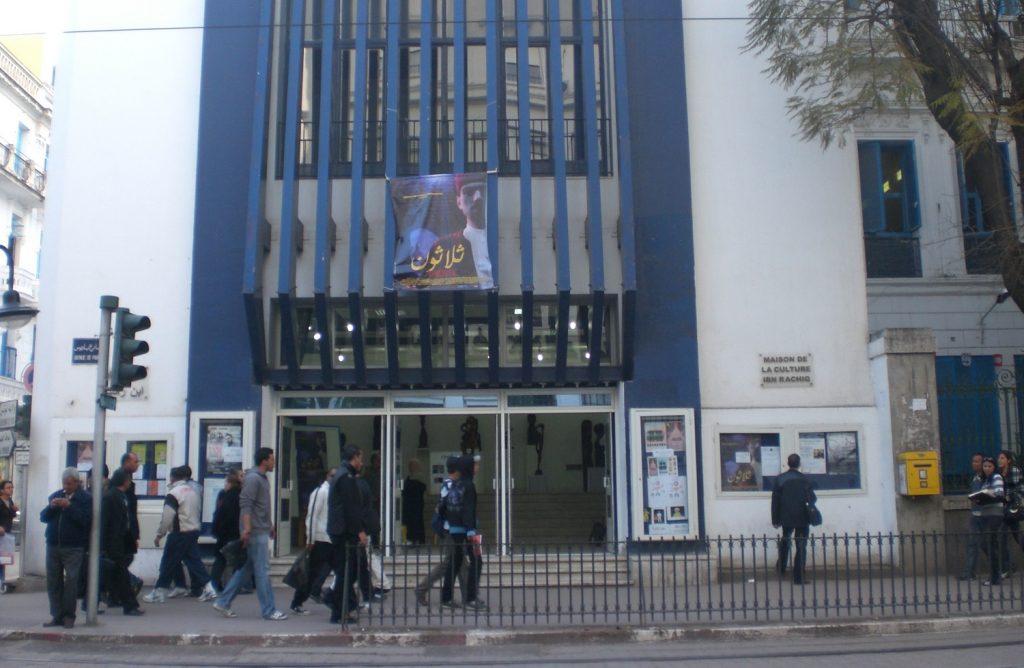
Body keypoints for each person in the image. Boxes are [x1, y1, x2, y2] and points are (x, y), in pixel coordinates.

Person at [213, 447, 289, 620]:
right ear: (264, 461)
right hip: (255, 531)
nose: (274, 462)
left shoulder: (261, 478)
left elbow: (262, 506)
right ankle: (269, 610)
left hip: (259, 528)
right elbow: (246, 505)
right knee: (262, 570)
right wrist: (247, 529)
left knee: (246, 569)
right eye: (272, 459)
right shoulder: (254, 479)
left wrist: (269, 524)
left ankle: (223, 601)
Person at [142, 466, 216, 603]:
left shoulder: (174, 494)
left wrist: (159, 534)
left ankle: (159, 591)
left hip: (179, 533)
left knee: (167, 563)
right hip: (193, 530)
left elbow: (168, 516)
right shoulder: (192, 491)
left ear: (172, 477)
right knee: (194, 562)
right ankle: (209, 588)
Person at [420, 173, 493, 289]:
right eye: (469, 192)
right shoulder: (443, 246)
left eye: (483, 191)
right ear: (459, 202)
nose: (478, 198)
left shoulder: (497, 239)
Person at [40, 468, 92, 629]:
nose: (66, 487)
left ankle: (69, 615)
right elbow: (43, 517)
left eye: (69, 484)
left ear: (77, 482)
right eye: (64, 483)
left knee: (71, 582)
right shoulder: (56, 495)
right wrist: (51, 507)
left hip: (73, 546)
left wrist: (69, 507)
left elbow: (85, 520)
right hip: (53, 544)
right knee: (53, 581)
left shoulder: (85, 498)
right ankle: (57, 615)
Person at [326, 445, 368, 625]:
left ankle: (342, 605)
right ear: (354, 457)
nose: (362, 462)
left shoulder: (343, 475)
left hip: (340, 530)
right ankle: (338, 610)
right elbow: (351, 507)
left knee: (349, 571)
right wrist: (359, 531)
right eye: (360, 458)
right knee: (346, 572)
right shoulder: (346, 477)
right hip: (344, 532)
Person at [415, 456, 465, 607]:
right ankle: (422, 589)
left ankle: (468, 596)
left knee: (460, 564)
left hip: (453, 529)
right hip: (452, 530)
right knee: (450, 563)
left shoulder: (450, 485)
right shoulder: (451, 486)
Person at [442, 454, 486, 611]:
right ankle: (471, 598)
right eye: (475, 465)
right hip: (467, 530)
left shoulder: (456, 484)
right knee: (477, 561)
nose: (477, 467)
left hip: (454, 529)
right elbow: (468, 509)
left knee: (455, 561)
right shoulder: (469, 485)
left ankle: (446, 597)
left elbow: (445, 506)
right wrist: (470, 530)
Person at [289, 467, 335, 614]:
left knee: (332, 569)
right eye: (332, 475)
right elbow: (312, 516)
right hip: (320, 538)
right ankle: (298, 601)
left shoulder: (334, 492)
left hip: (331, 538)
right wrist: (310, 538)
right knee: (312, 572)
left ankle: (335, 599)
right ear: (327, 476)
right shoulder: (320, 492)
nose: (334, 478)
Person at [101, 469, 144, 616]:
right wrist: (104, 544)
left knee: (117, 574)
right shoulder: (111, 496)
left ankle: (117, 601)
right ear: (124, 481)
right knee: (121, 574)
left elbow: (127, 520)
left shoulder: (122, 496)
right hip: (113, 542)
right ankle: (129, 605)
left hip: (121, 541)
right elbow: (106, 522)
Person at [771, 453, 816, 586]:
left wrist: (775, 519)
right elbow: (812, 498)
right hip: (802, 516)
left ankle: (781, 567)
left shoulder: (780, 479)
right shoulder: (804, 479)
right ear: (799, 464)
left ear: (788, 463)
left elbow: (775, 501)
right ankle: (798, 577)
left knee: (786, 539)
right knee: (801, 545)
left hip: (786, 516)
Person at [971, 456, 1005, 586]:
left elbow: (999, 493)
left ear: (994, 467)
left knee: (988, 543)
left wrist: (987, 494)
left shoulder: (996, 477)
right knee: (988, 544)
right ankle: (995, 575)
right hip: (985, 513)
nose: (986, 468)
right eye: (985, 466)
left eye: (989, 466)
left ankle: (995, 575)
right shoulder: (985, 480)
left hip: (995, 514)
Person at [210, 469, 243, 592]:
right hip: (236, 532)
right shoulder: (241, 495)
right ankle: (236, 585)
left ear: (230, 483)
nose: (224, 485)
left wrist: (216, 529)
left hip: (224, 532)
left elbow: (219, 514)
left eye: (226, 482)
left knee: (221, 559)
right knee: (238, 560)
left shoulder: (226, 496)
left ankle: (214, 585)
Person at [959, 452, 985, 581]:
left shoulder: (986, 478)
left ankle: (1007, 565)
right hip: (975, 514)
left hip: (985, 515)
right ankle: (969, 572)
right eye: (973, 461)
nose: (973, 464)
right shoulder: (975, 478)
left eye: (976, 461)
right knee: (973, 544)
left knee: (988, 544)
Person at [997, 450, 1023, 579]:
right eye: (999, 458)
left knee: (1015, 537)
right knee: (1009, 536)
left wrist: (1008, 497)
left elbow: (1019, 488)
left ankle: (1008, 567)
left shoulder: (1014, 471)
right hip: (1004, 509)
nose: (999, 460)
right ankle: (1008, 566)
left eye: (1002, 458)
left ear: (1008, 460)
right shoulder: (999, 473)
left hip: (1013, 508)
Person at [401, 461, 427, 545]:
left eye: (413, 466)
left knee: (416, 522)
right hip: (408, 504)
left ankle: (417, 539)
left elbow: (422, 489)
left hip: (416, 504)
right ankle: (409, 539)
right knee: (408, 522)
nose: (411, 468)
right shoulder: (408, 478)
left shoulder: (420, 478)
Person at [0, 479, 18, 592]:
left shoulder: (10, 501)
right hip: (0, 532)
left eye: (12, 487)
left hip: (6, 533)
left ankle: (2, 582)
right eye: (8, 488)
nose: (11, 490)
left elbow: (10, 516)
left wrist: (14, 510)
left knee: (3, 559)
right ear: (2, 490)